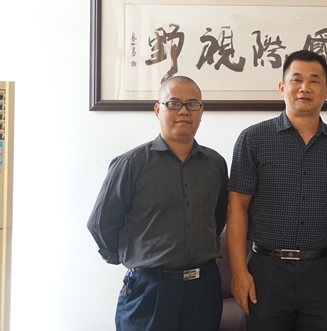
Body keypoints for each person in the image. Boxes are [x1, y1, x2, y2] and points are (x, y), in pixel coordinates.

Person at [87, 76, 229, 331]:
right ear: (157, 109)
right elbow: (101, 222)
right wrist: (129, 258)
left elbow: (218, 218)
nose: (184, 111)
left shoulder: (215, 164)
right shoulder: (131, 164)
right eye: (174, 103)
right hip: (150, 289)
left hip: (203, 289)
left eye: (192, 104)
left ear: (201, 111)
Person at [227, 50, 327, 331]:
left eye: (314, 81)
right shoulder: (253, 138)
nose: (305, 87)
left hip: (323, 270)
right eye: (296, 80)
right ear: (282, 87)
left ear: (326, 90)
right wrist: (239, 272)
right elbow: (237, 207)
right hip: (267, 270)